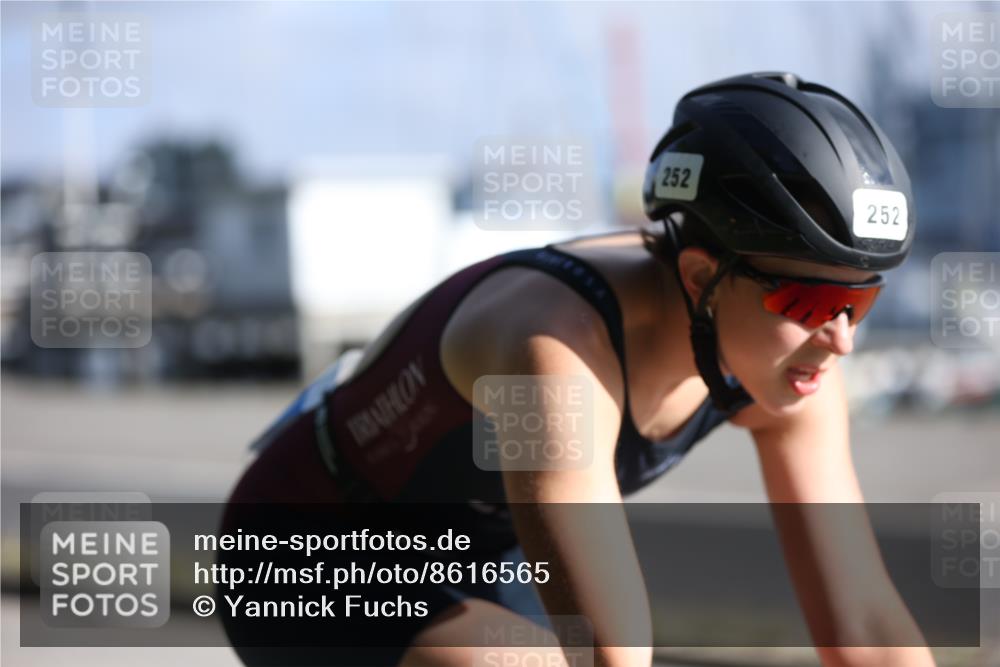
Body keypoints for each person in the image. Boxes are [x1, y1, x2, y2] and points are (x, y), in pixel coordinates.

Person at [220, 72, 935, 667]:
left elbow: (865, 626)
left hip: (482, 560)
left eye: (860, 299)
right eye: (810, 298)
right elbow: (610, 651)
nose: (839, 339)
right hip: (314, 552)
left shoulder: (790, 354)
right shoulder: (552, 347)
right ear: (699, 277)